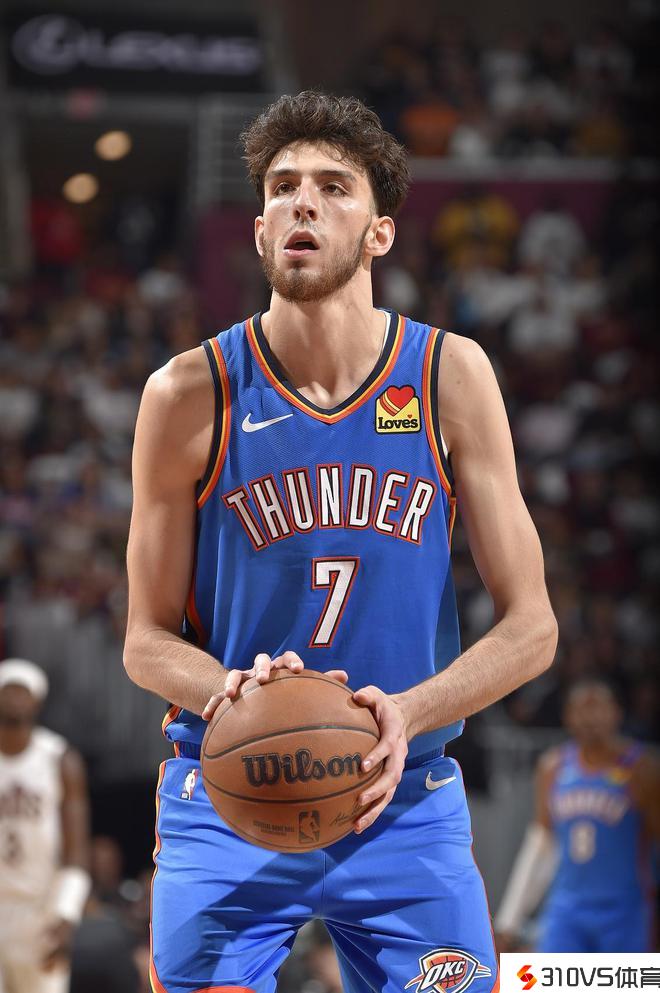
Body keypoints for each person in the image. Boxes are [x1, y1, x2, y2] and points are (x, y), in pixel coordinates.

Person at [123, 90, 557, 992]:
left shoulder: (447, 374)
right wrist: (228, 691)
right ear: (259, 232)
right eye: (283, 187)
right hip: (231, 795)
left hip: (404, 797)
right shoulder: (187, 393)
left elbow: (533, 628)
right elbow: (145, 640)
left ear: (379, 232)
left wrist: (411, 710)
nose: (303, 204)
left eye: (332, 186)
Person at [495, 678, 659, 952]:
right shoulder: (553, 767)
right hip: (567, 908)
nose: (590, 718)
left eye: (598, 707)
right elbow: (540, 845)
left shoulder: (642, 769)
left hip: (626, 910)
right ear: (568, 716)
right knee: (544, 974)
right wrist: (510, 920)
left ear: (617, 713)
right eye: (582, 709)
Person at [0, 658, 92, 993]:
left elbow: (77, 850)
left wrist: (67, 913)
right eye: (9, 690)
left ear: (37, 702)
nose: (15, 699)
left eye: (23, 691)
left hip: (40, 910)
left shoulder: (59, 758)